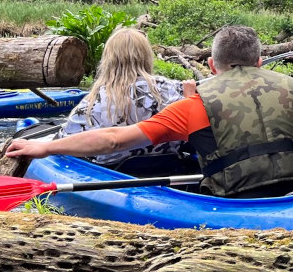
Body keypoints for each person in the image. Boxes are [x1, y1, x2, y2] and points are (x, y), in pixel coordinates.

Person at [7, 25, 293, 197]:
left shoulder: (197, 103)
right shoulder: (292, 93)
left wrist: (46, 146)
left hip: (234, 196)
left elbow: (112, 141)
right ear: (259, 62)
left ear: (212, 65)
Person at [52, 26, 194, 167]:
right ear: (146, 56)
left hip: (114, 174)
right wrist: (190, 99)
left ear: (109, 59)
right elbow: (193, 133)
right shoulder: (172, 89)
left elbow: (63, 139)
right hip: (167, 168)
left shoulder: (95, 100)